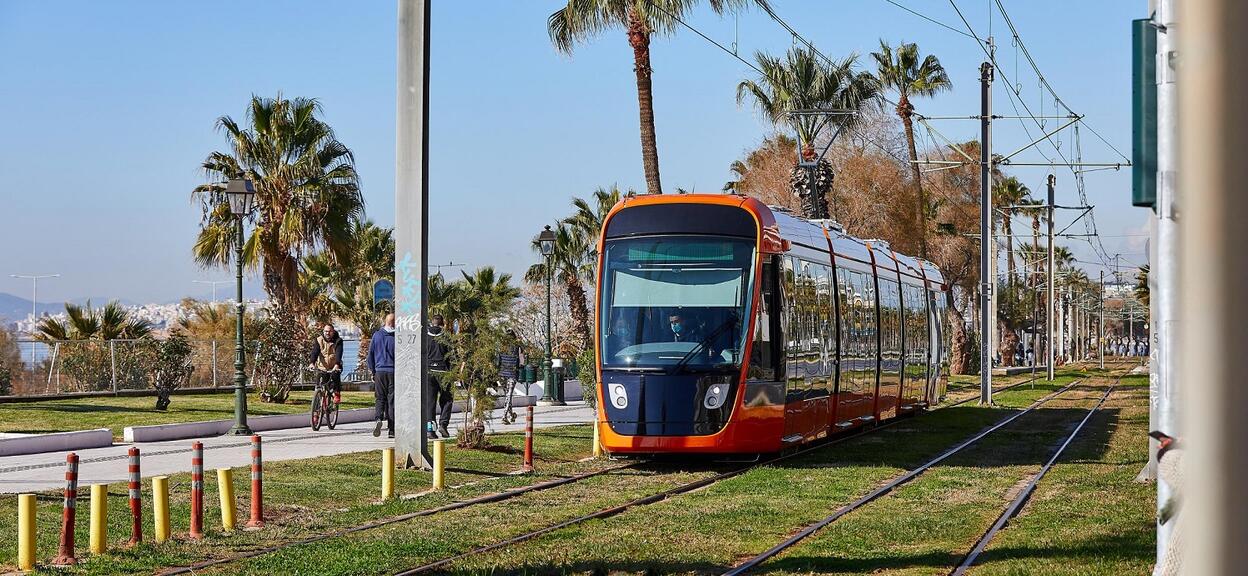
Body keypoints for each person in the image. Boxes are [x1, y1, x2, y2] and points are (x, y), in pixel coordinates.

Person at [366, 313, 396, 438]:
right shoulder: (397, 336)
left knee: (380, 398)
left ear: (385, 321)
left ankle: (378, 418)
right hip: (393, 372)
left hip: (379, 371)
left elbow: (370, 355)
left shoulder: (377, 335)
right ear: (394, 323)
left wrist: (373, 371)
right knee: (392, 400)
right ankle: (392, 430)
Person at [425, 314, 453, 439]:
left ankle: (430, 430)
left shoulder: (425, 336)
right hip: (444, 372)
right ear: (443, 323)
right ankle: (443, 424)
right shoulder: (446, 336)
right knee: (447, 399)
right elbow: (452, 356)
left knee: (430, 402)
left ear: (432, 323)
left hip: (429, 372)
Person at [308, 323, 344, 407]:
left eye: (329, 331)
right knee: (319, 387)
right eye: (326, 331)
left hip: (334, 366)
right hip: (322, 367)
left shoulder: (338, 340)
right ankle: (317, 410)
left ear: (333, 332)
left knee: (335, 377)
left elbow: (339, 353)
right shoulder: (319, 340)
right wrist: (312, 363)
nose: (327, 333)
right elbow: (315, 352)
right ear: (323, 331)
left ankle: (337, 393)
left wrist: (337, 364)